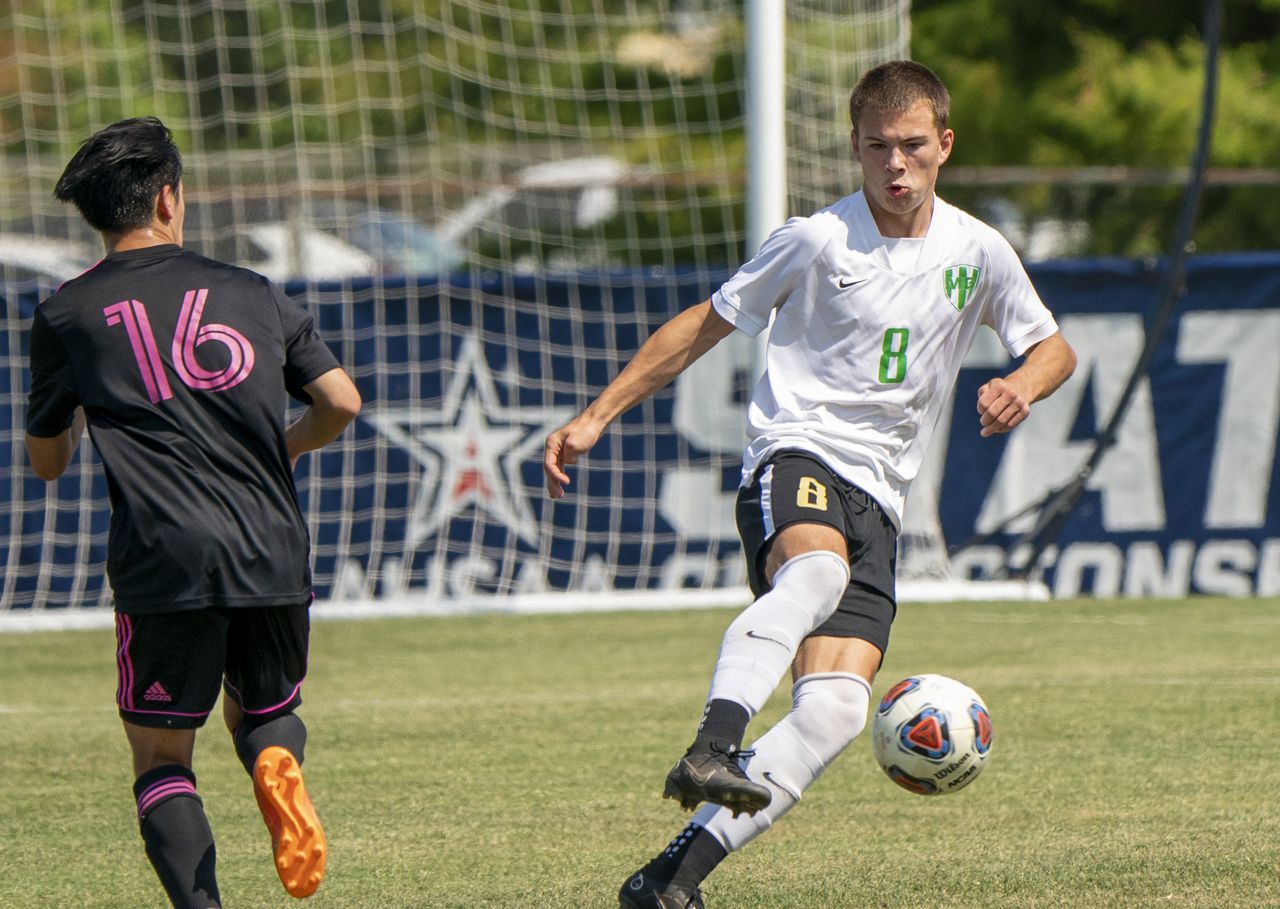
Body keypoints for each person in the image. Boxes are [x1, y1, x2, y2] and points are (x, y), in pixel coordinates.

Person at [543, 61, 1076, 908]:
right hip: (796, 457)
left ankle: (667, 884)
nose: (895, 167)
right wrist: (597, 414)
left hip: (884, 498)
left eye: (911, 147)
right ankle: (714, 741)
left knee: (833, 713)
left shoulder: (978, 249)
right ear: (855, 150)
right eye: (877, 149)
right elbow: (702, 324)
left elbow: (1053, 347)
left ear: (944, 144)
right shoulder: (818, 238)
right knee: (816, 575)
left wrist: (1025, 383)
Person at [25, 117, 361, 909]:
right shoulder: (251, 289)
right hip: (271, 543)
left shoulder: (68, 314)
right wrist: (287, 447)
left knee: (161, 757)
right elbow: (341, 400)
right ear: (170, 198)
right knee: (269, 712)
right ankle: (276, 761)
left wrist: (81, 405)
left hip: (162, 557)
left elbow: (47, 462)